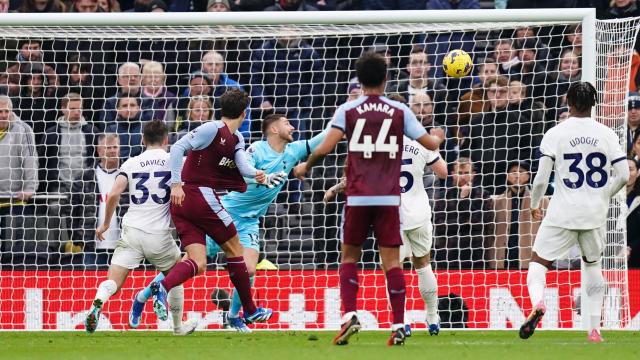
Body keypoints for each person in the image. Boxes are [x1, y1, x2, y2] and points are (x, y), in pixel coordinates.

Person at [292, 52, 444, 346]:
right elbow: (430, 143)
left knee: (349, 257)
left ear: (359, 80)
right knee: (393, 263)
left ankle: (350, 315)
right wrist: (437, 137)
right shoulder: (400, 112)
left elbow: (325, 146)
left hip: (359, 196)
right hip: (389, 199)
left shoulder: (348, 110)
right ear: (386, 79)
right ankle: (399, 323)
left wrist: (305, 166)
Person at [134, 113, 325, 332]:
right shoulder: (254, 149)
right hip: (227, 210)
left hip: (250, 221)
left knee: (249, 269)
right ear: (273, 129)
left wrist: (344, 121)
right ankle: (143, 296)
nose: (292, 127)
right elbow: (243, 174)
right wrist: (261, 176)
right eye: (286, 123)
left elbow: (322, 139)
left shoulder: (293, 150)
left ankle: (235, 316)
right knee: (191, 262)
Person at [150, 89, 280, 325]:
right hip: (198, 194)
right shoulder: (211, 129)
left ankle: (162, 286)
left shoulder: (237, 138)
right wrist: (176, 183)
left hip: (185, 204)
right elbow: (178, 148)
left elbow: (243, 167)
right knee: (236, 249)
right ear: (244, 113)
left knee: (198, 262)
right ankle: (249, 310)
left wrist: (258, 174)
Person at [520, 81, 629, 342]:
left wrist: (535, 204)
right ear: (595, 103)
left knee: (538, 263)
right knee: (593, 266)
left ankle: (538, 303)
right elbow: (624, 175)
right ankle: (594, 329)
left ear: (567, 102)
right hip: (594, 214)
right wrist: (603, 195)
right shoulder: (607, 134)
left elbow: (540, 180)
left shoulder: (555, 133)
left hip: (561, 212)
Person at [84, 120, 198, 336]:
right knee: (175, 278)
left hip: (132, 230)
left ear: (142, 140)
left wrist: (106, 223)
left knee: (113, 283)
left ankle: (98, 301)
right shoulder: (177, 161)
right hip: (160, 235)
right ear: (167, 140)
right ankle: (176, 328)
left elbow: (115, 193)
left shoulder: (131, 162)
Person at [432, 157, 495, 270]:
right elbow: (440, 226)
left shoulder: (483, 195)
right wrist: (466, 221)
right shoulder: (443, 196)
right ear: (452, 174)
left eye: (466, 173)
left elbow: (481, 223)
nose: (463, 176)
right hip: (447, 257)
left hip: (476, 256)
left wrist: (464, 199)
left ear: (473, 174)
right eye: (459, 173)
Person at [0, 95, 37, 264]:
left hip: (15, 202)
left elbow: (30, 160)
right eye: (0, 111)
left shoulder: (24, 130)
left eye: (7, 111)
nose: (3, 115)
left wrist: (30, 188)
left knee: (13, 256)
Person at [492, 161, 548, 269]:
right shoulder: (498, 201)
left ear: (528, 176)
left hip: (530, 255)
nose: (517, 175)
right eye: (513, 172)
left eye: (521, 171)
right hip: (504, 255)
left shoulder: (541, 201)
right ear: (507, 176)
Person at [625, 158, 640, 268]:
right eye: (623, 169)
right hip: (610, 256)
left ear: (638, 172)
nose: (627, 173)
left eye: (630, 169)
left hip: (636, 258)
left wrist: (631, 248)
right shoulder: (608, 196)